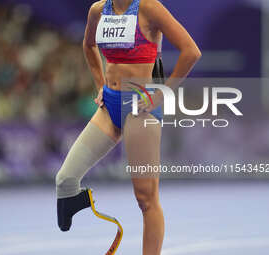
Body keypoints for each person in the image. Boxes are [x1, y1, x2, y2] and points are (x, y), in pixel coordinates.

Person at [55, 0, 201, 254]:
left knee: (146, 199)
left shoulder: (149, 7)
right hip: (110, 104)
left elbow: (191, 51)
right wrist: (100, 84)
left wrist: (163, 92)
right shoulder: (98, 10)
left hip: (140, 107)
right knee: (65, 180)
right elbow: (89, 45)